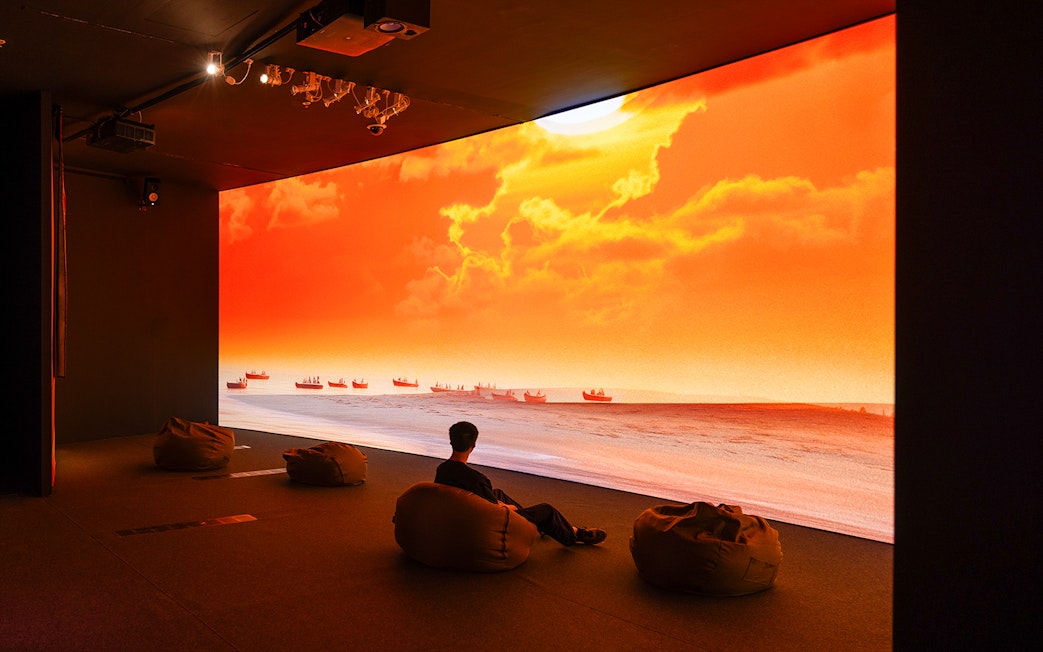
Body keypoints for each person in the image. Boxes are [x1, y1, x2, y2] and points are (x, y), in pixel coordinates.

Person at [434, 421, 607, 546]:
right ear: (474, 445)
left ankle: (540, 526)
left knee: (498, 493)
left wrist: (500, 503)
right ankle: (574, 534)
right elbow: (496, 511)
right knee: (546, 510)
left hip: (463, 513)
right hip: (486, 522)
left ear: (451, 442)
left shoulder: (442, 469)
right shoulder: (477, 478)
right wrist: (510, 509)